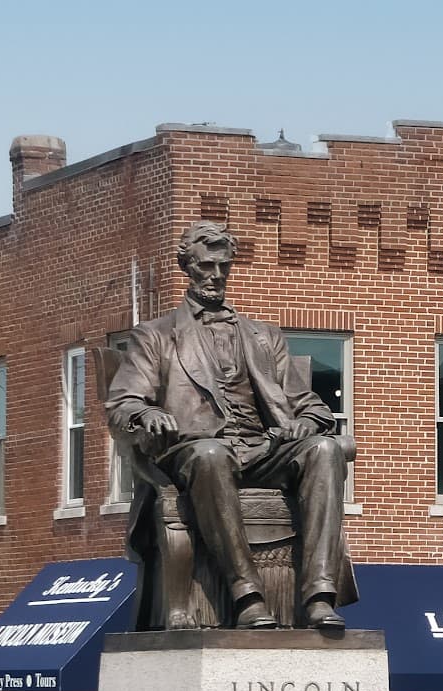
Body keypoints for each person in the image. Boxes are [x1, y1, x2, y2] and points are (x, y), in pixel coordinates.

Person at [106, 222, 351, 630]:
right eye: (206, 266)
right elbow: (122, 404)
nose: (216, 276)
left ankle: (319, 596)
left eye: (223, 266)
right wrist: (147, 414)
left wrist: (305, 424)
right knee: (211, 454)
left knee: (325, 449)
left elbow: (309, 405)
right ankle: (247, 596)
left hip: (263, 449)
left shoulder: (264, 336)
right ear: (187, 267)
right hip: (193, 451)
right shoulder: (156, 336)